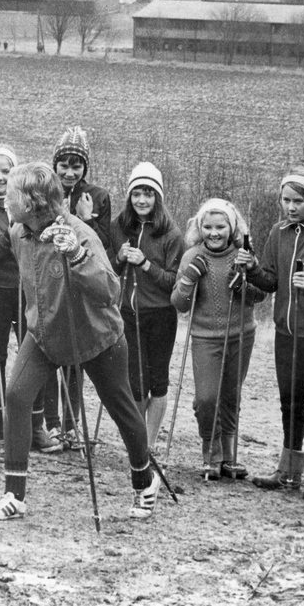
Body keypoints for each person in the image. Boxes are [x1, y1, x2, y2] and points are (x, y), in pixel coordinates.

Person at [0, 162, 159, 521]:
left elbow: (110, 291)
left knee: (121, 409)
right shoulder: (18, 231)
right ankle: (14, 495)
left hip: (95, 336)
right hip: (45, 333)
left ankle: (144, 479)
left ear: (31, 202)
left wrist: (77, 256)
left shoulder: (78, 234)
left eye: (12, 195)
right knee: (15, 394)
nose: (5, 200)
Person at [244, 168, 304, 499]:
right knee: (290, 401)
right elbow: (269, 280)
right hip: (286, 332)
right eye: (286, 200)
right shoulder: (278, 232)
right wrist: (251, 268)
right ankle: (288, 471)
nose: (291, 207)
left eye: (298, 201)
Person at [0, 144, 62, 453]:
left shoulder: (26, 204)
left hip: (27, 289)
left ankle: (35, 427)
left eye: (5, 171)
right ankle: (3, 428)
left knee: (36, 354)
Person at [171, 198, 266, 481]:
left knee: (230, 396)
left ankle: (229, 458)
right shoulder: (192, 256)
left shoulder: (244, 254)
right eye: (208, 227)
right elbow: (179, 303)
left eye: (221, 226)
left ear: (232, 227)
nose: (214, 232)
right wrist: (189, 277)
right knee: (206, 399)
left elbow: (260, 296)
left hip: (241, 334)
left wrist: (245, 285)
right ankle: (210, 454)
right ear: (200, 229)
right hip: (204, 337)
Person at [108, 162, 184, 450]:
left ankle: (149, 445)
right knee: (135, 382)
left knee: (158, 381)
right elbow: (108, 268)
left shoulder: (171, 234)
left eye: (149, 194)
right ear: (129, 196)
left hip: (161, 315)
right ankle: (137, 443)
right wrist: (120, 259)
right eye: (137, 193)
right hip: (128, 313)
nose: (142, 200)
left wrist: (146, 263)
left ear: (158, 197)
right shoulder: (118, 227)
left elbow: (174, 282)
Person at [46, 126, 111, 446]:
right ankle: (50, 423)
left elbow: (104, 244)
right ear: (54, 164)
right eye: (64, 165)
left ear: (86, 168)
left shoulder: (97, 197)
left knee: (74, 359)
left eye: (77, 166)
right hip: (51, 281)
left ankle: (71, 425)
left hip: (81, 283)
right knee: (49, 354)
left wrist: (85, 218)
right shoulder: (47, 191)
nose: (70, 172)